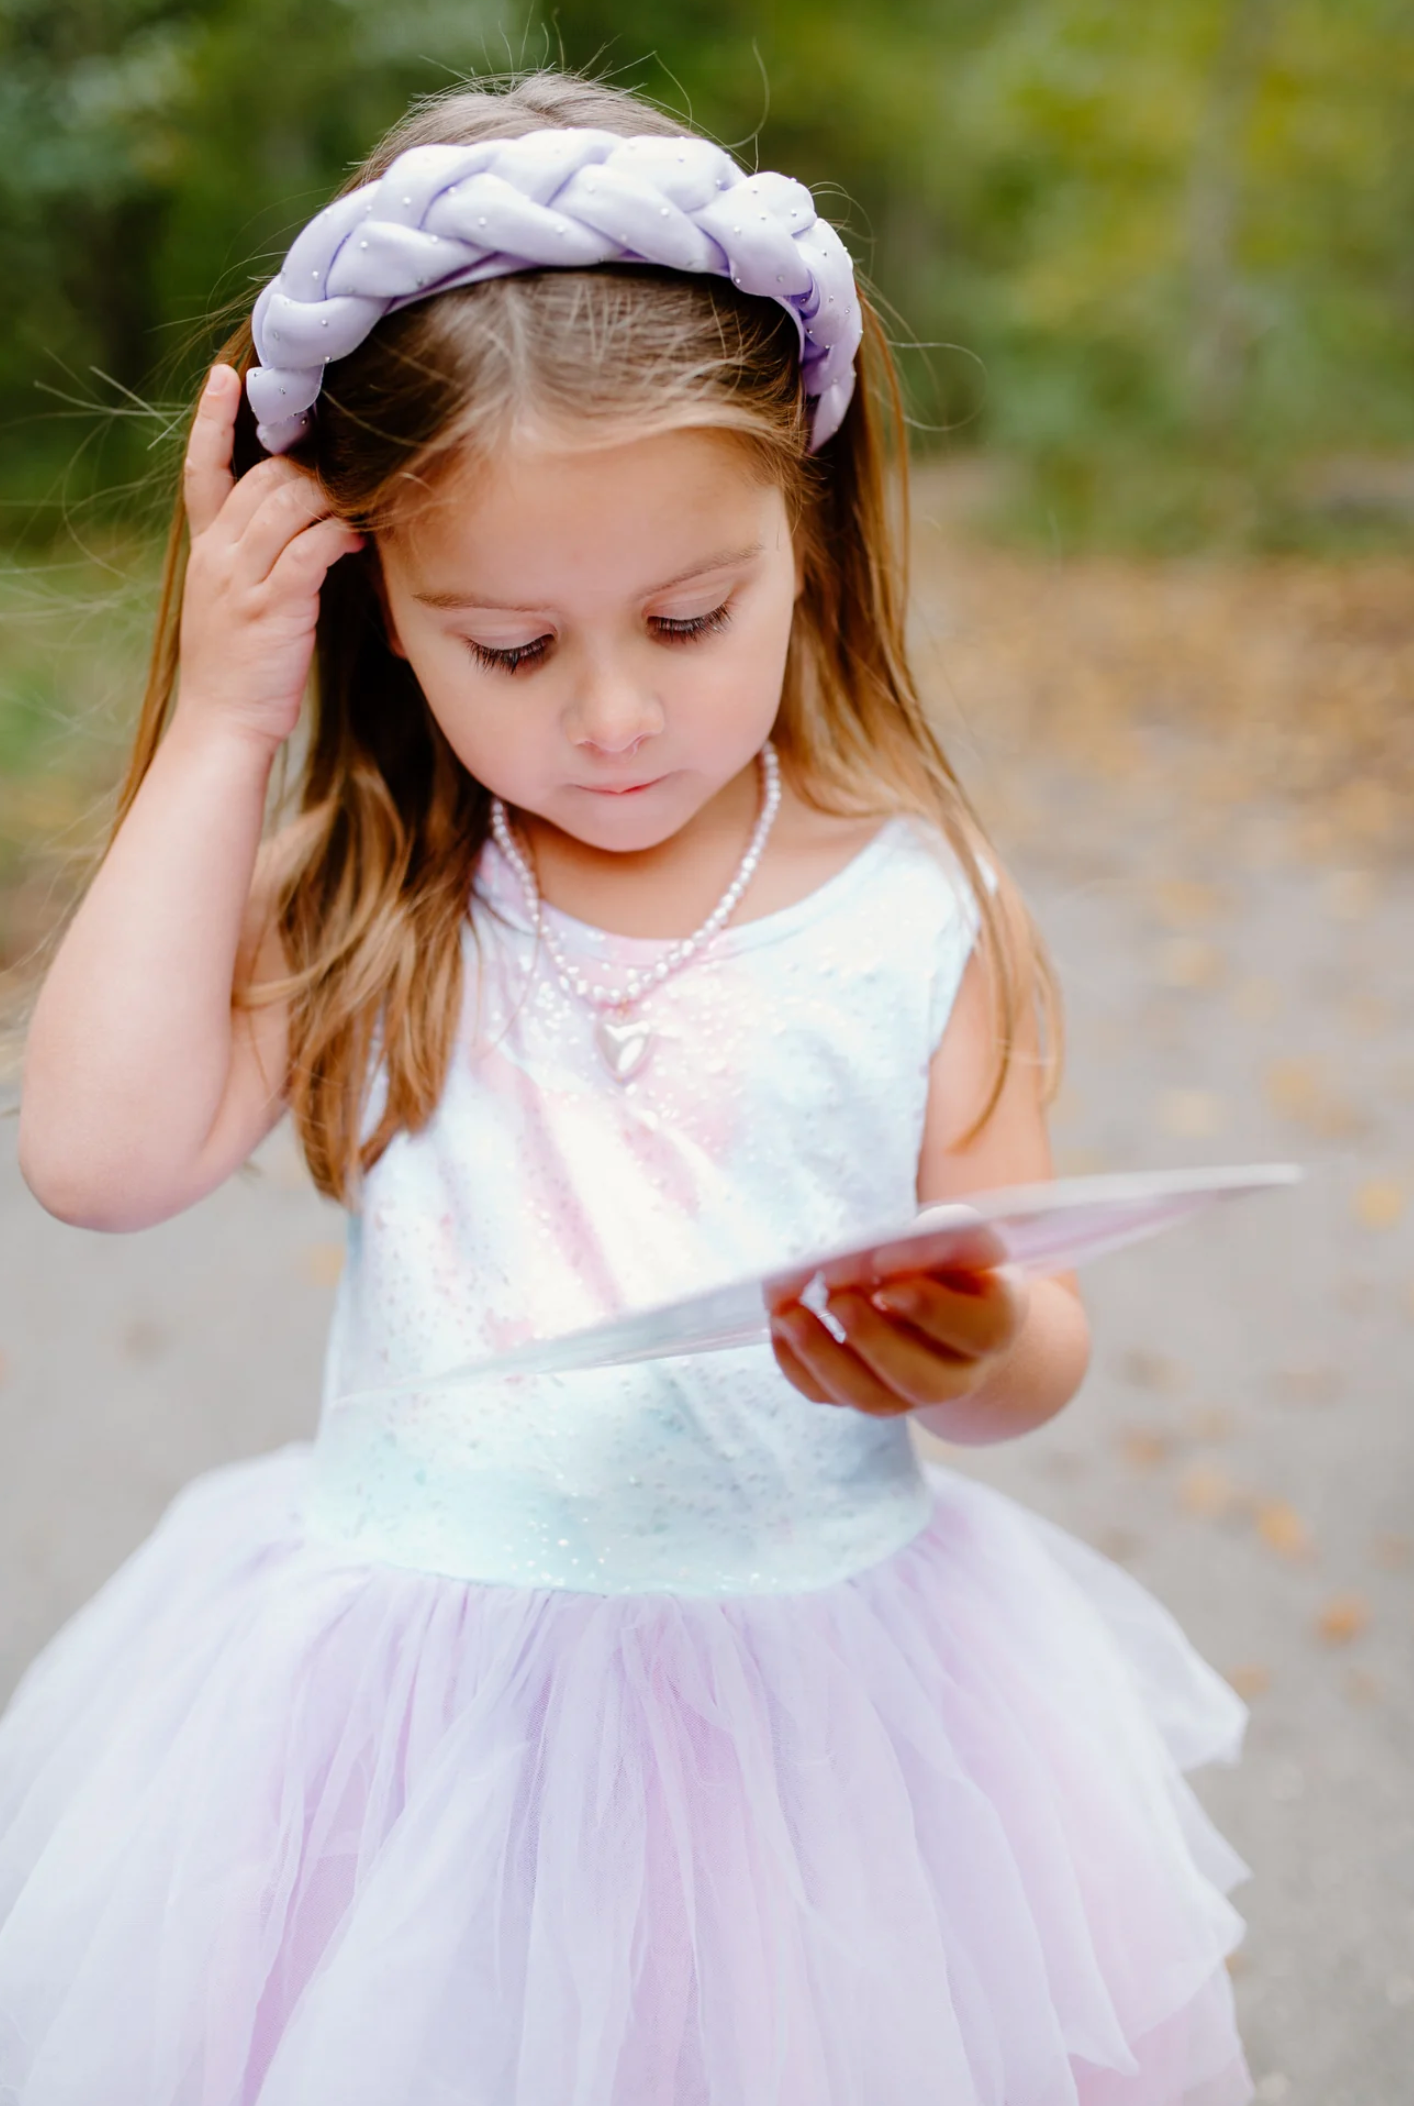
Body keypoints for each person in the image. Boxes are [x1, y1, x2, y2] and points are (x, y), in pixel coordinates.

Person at [0, 68, 1256, 2106]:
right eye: (504, 644)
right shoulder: (387, 884)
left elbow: (1036, 1353)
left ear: (805, 536)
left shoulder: (914, 909)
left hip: (827, 1739)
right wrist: (227, 716)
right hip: (422, 1751)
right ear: (373, 615)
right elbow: (95, 1158)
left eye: (689, 618)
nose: (607, 719)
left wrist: (968, 1338)